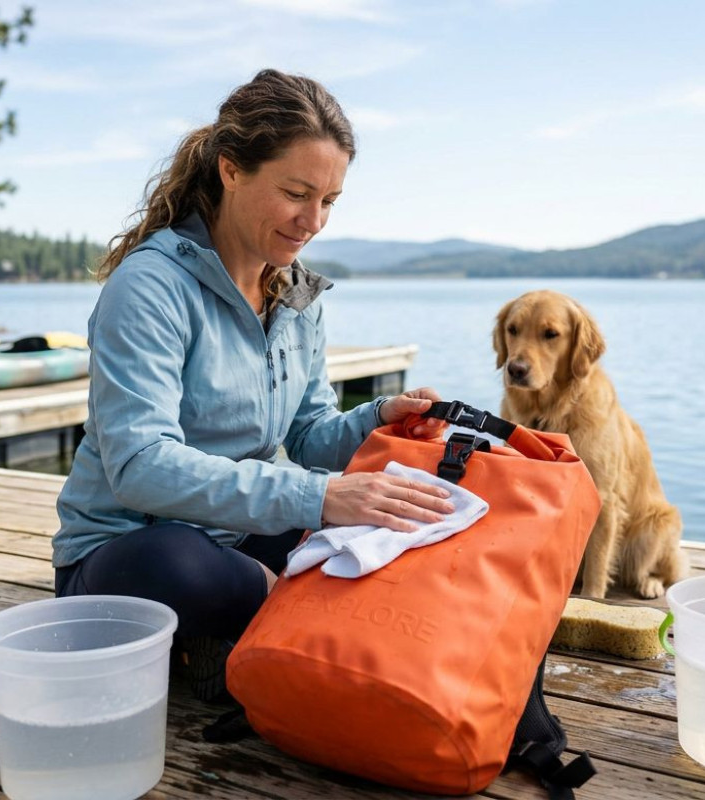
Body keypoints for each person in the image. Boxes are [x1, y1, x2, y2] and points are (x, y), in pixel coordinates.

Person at [52, 69, 453, 701]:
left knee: (392, 537)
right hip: (129, 550)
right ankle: (292, 622)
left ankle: (252, 629)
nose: (313, 220)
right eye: (296, 193)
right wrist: (320, 498)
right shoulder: (150, 287)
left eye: (329, 201)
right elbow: (140, 466)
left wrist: (379, 417)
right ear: (231, 170)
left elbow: (312, 436)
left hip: (242, 534)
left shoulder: (297, 294)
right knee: (181, 562)